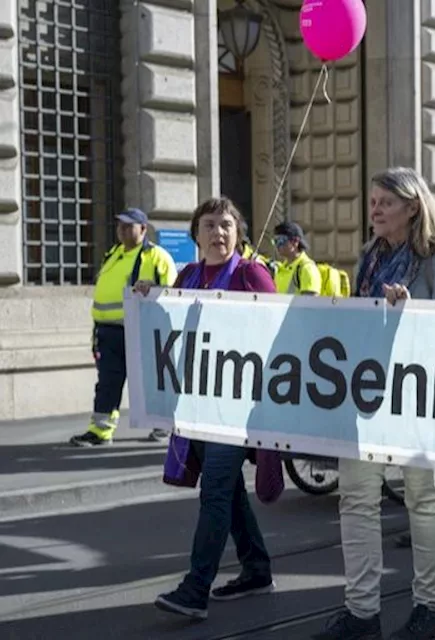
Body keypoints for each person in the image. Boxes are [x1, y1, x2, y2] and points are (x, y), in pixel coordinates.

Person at [315, 168, 435, 640]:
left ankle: (430, 610)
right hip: (366, 397)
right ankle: (361, 613)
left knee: (424, 498)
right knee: (356, 500)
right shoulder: (370, 258)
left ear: (412, 207)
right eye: (373, 201)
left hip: (419, 400)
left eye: (385, 202)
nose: (375, 209)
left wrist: (412, 314)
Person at [144, 197, 280, 620]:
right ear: (195, 234)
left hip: (238, 410)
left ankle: (195, 589)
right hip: (197, 406)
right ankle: (256, 568)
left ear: (238, 232)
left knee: (216, 491)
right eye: (208, 225)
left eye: (225, 225)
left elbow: (281, 335)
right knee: (230, 490)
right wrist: (148, 300)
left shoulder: (250, 274)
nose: (217, 233)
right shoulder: (187, 275)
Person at [73, 208, 178, 446]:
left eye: (128, 225)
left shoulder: (157, 257)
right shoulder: (113, 253)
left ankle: (163, 427)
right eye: (120, 225)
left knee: (152, 381)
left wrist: (152, 288)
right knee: (108, 382)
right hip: (108, 331)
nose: (122, 230)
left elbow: (173, 294)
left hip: (141, 331)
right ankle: (100, 431)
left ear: (143, 229)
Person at [272, 221, 321, 295]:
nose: (277, 245)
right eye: (275, 241)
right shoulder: (281, 269)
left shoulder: (307, 269)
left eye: (281, 240)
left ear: (295, 241)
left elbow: (310, 304)